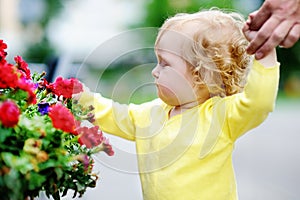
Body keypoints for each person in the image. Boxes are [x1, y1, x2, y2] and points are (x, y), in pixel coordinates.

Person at [75, 9, 279, 200]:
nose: (154, 71)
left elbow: (258, 103)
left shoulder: (221, 116)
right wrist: (82, 98)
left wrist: (264, 52)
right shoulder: (151, 113)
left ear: (201, 74)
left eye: (164, 63)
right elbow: (115, 115)